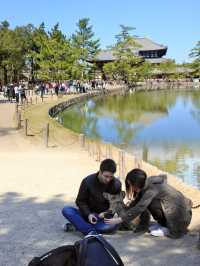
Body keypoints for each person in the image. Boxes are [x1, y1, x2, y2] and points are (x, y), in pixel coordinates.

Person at [104, 168, 192, 238]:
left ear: (135, 184)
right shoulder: (147, 183)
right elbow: (136, 203)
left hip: (180, 219)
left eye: (130, 184)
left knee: (149, 203)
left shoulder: (152, 189)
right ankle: (163, 224)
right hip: (181, 214)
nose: (130, 187)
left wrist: (119, 219)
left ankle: (168, 227)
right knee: (147, 202)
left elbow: (140, 207)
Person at [62, 159, 121, 235]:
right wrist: (88, 214)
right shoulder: (87, 181)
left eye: (111, 177)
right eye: (106, 176)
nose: (108, 179)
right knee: (67, 210)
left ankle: (81, 226)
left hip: (103, 218)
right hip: (87, 215)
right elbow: (80, 201)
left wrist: (107, 213)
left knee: (110, 227)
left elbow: (117, 204)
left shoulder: (116, 184)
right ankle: (90, 231)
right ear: (100, 172)